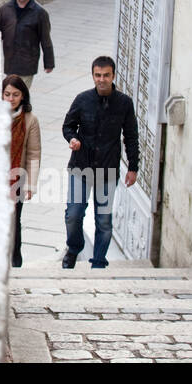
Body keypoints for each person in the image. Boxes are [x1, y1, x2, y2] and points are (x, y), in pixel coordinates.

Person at [61, 56, 139, 269]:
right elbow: (68, 126)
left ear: (113, 76)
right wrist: (73, 139)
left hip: (107, 170)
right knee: (73, 214)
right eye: (98, 75)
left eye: (106, 75)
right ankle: (74, 248)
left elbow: (131, 136)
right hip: (81, 166)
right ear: (93, 76)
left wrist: (133, 167)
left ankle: (98, 262)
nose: (102, 79)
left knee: (103, 219)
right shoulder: (82, 99)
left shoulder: (124, 103)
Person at [4, 74, 41, 269]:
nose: (11, 99)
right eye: (7, 94)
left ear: (23, 96)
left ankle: (15, 261)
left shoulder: (30, 120)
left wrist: (31, 185)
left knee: (14, 222)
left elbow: (34, 153)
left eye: (15, 94)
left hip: (17, 179)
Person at [0, 0, 54, 88]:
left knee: (19, 94)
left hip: (28, 62)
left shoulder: (40, 13)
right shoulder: (5, 10)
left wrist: (49, 63)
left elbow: (45, 39)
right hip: (10, 61)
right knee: (12, 95)